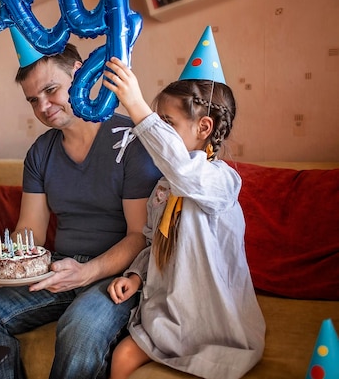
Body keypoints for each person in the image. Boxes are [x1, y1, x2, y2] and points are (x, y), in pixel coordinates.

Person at [0, 27, 162, 379]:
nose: (43, 107)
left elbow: (139, 236)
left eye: (50, 90)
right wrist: (2, 269)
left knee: (81, 328)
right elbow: (29, 231)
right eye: (33, 99)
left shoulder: (131, 143)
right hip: (59, 271)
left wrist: (86, 272)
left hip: (116, 276)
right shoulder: (40, 152)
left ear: (79, 74)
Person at [103, 26, 265, 379]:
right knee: (122, 358)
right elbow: (155, 241)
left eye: (167, 123)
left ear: (204, 127)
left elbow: (183, 170)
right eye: (158, 121)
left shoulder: (220, 181)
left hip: (213, 322)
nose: (157, 130)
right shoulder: (164, 187)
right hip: (167, 318)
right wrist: (135, 274)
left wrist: (138, 107)